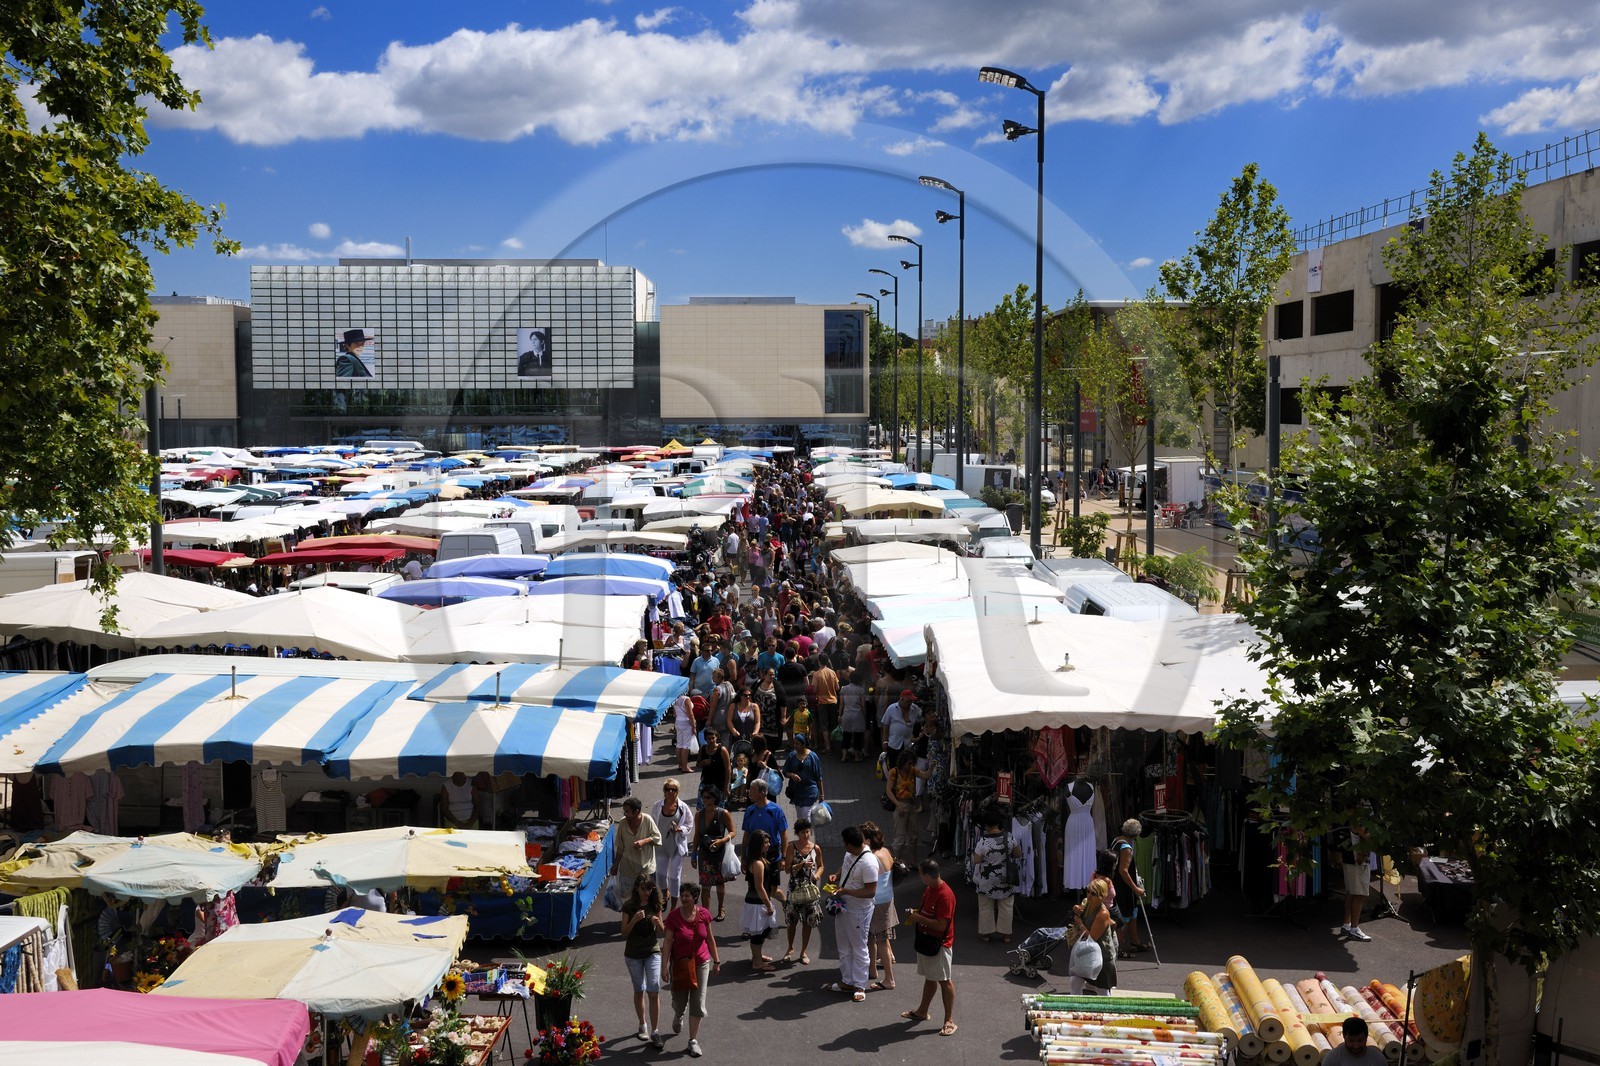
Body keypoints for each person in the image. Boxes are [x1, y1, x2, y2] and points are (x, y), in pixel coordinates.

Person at [821, 824, 880, 1003]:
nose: (844, 846)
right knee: (844, 945)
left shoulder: (869, 863)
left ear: (851, 844)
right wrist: (837, 876)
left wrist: (846, 891)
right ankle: (847, 981)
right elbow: (846, 866)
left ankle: (860, 985)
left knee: (859, 946)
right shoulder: (850, 853)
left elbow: (871, 892)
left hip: (859, 911)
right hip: (843, 907)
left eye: (845, 844)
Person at [662, 882, 721, 1058]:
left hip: (701, 963)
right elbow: (667, 942)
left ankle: (692, 1041)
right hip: (680, 964)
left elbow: (710, 938)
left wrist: (716, 961)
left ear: (695, 897)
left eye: (687, 895)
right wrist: (664, 967)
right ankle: (678, 1014)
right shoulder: (673, 917)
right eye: (682, 894)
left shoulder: (704, 914)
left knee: (698, 1002)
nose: (684, 898)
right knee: (680, 1001)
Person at [902, 858, 957, 1037]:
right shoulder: (929, 889)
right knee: (930, 977)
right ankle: (922, 1011)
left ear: (927, 875)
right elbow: (928, 913)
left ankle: (949, 1020)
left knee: (944, 980)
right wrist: (916, 915)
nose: (919, 877)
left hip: (939, 944)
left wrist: (919, 919)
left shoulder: (945, 895)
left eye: (920, 874)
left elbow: (941, 925)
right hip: (926, 942)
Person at [619, 874, 666, 1047]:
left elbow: (663, 933)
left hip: (652, 951)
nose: (647, 892)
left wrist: (658, 923)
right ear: (637, 888)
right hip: (633, 954)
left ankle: (655, 1031)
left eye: (649, 889)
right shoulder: (629, 906)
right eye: (644, 889)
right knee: (639, 990)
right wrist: (634, 920)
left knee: (653, 990)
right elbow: (624, 933)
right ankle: (642, 1025)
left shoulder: (655, 905)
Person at [970, 807, 1022, 943]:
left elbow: (977, 860)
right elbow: (1017, 854)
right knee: (1006, 906)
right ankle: (1006, 935)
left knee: (985, 907)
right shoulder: (1009, 837)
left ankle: (986, 934)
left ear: (985, 824)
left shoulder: (982, 841)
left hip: (986, 879)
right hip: (1005, 878)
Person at [1068, 858, 1118, 996]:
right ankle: (1076, 1010)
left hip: (1100, 956)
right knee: (1074, 983)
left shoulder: (1102, 913)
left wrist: (1080, 924)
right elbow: (1079, 910)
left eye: (1093, 894)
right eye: (1088, 891)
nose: (1089, 895)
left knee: (1102, 992)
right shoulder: (1087, 904)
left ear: (1102, 896)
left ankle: (1108, 1015)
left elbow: (1092, 937)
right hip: (1086, 953)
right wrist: (1075, 909)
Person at [780, 818, 824, 965]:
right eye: (802, 832)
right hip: (795, 888)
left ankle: (803, 952)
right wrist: (800, 865)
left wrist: (818, 874)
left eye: (807, 831)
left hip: (810, 889)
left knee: (808, 922)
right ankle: (790, 948)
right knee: (791, 921)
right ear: (797, 833)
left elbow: (821, 866)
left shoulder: (815, 848)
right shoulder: (792, 847)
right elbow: (787, 870)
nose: (806, 835)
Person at [862, 820, 897, 991]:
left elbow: (868, 881)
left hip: (877, 902)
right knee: (877, 937)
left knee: (879, 940)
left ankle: (889, 979)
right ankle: (872, 969)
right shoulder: (886, 851)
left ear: (868, 840)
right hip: (887, 899)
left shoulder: (873, 857)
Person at [740, 778, 789, 898]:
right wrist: (743, 858)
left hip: (771, 853)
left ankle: (785, 904)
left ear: (762, 793)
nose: (749, 793)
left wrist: (783, 857)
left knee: (772, 890)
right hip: (753, 854)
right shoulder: (749, 811)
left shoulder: (776, 810)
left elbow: (784, 834)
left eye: (752, 790)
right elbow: (746, 836)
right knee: (753, 887)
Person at [693, 786, 737, 923]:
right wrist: (694, 854)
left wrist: (722, 840)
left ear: (715, 798)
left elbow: (732, 831)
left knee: (719, 881)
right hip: (705, 853)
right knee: (705, 883)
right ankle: (705, 911)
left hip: (719, 852)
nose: (705, 800)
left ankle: (720, 908)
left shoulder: (723, 813)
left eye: (708, 797)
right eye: (703, 797)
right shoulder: (699, 814)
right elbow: (697, 835)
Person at [740, 830, 779, 972]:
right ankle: (757, 962)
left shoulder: (758, 860)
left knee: (761, 930)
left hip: (757, 901)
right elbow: (759, 886)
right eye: (766, 843)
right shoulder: (758, 863)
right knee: (759, 933)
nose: (769, 845)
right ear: (759, 845)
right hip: (758, 902)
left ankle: (757, 956)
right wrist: (768, 905)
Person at [884, 749, 928, 865]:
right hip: (901, 804)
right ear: (903, 762)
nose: (911, 766)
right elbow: (888, 790)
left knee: (913, 836)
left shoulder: (913, 771)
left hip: (911, 805)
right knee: (900, 837)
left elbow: (925, 775)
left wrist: (932, 766)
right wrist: (898, 805)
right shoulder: (894, 772)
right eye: (909, 763)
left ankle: (913, 861)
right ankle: (896, 862)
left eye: (912, 763)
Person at [653, 779, 694, 899]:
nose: (670, 792)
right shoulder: (657, 806)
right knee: (660, 875)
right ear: (664, 791)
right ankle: (665, 893)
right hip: (661, 845)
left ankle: (675, 902)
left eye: (674, 789)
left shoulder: (683, 807)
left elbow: (689, 824)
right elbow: (653, 823)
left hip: (676, 845)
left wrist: (680, 829)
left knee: (674, 876)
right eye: (668, 789)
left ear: (678, 791)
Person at [1111, 818, 1147, 956]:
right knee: (1124, 917)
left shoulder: (1116, 841)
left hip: (1118, 884)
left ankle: (1135, 941)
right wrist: (1135, 888)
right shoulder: (1126, 847)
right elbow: (1123, 871)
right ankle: (1118, 949)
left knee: (1133, 913)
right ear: (1136, 835)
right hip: (1123, 887)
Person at [613, 796, 662, 887]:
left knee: (647, 898)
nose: (625, 814)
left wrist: (644, 841)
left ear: (637, 812)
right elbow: (620, 847)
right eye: (624, 811)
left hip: (646, 870)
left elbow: (657, 837)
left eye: (627, 811)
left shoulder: (647, 820)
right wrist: (615, 865)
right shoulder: (623, 823)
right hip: (627, 871)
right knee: (626, 899)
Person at [1340, 823, 1374, 942]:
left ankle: (1347, 924)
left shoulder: (1347, 815)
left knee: (1351, 892)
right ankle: (1354, 929)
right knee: (1360, 893)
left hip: (1350, 858)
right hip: (1358, 860)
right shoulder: (1358, 819)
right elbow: (1369, 836)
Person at [782, 732, 825, 823]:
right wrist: (791, 775)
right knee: (800, 816)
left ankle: (806, 835)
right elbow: (785, 771)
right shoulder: (791, 756)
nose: (794, 746)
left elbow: (818, 776)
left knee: (806, 815)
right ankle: (803, 835)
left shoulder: (813, 757)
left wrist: (822, 794)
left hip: (810, 791)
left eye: (797, 744)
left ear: (804, 744)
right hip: (796, 792)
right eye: (794, 743)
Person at [808, 655, 839, 755]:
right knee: (833, 724)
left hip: (822, 702)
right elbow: (837, 687)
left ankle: (828, 747)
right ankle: (835, 745)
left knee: (824, 725)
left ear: (819, 662)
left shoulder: (817, 674)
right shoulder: (832, 672)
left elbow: (815, 689)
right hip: (833, 701)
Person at [838, 667, 868, 762]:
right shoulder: (860, 691)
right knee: (858, 737)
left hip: (846, 714)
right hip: (858, 715)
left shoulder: (844, 689)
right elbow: (863, 705)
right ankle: (857, 757)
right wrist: (865, 715)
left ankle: (844, 756)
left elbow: (841, 704)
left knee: (846, 736)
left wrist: (839, 715)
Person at [881, 688, 922, 755]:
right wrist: (885, 741)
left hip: (908, 745)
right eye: (908, 701)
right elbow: (885, 725)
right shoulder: (891, 708)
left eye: (911, 701)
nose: (910, 703)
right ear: (901, 699)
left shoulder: (915, 709)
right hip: (894, 744)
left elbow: (921, 720)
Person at [696, 729, 732, 800]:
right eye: (709, 739)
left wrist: (726, 786)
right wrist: (703, 763)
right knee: (702, 803)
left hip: (719, 782)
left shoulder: (722, 750)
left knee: (718, 806)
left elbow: (728, 769)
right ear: (705, 739)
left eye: (713, 738)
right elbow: (698, 764)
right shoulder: (702, 749)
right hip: (706, 781)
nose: (711, 740)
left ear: (716, 737)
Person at [672, 692, 697, 773]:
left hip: (678, 722)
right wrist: (693, 727)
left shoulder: (675, 699)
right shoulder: (686, 699)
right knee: (686, 745)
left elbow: (675, 713)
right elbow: (690, 715)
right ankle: (685, 766)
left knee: (679, 744)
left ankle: (680, 765)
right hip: (686, 723)